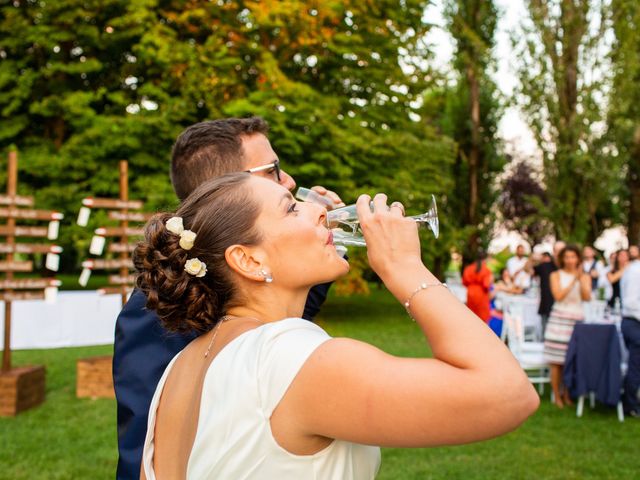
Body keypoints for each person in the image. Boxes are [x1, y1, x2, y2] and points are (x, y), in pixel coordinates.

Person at [134, 174, 539, 479]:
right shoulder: (288, 357)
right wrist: (404, 269)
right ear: (248, 260)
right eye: (292, 208)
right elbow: (508, 394)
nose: (320, 209)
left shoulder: (180, 369)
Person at [113, 117, 344, 478]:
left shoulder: (234, 274)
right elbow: (148, 442)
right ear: (225, 187)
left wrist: (317, 248)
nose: (289, 181)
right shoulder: (156, 309)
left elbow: (279, 324)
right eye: (273, 170)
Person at [544, 245, 591, 408]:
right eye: (567, 257)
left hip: (576, 320)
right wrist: (573, 281)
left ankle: (568, 393)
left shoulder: (584, 276)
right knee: (556, 361)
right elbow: (558, 296)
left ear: (578, 259)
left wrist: (582, 280)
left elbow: (586, 297)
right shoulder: (555, 275)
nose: (570, 260)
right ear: (562, 259)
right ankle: (557, 395)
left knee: (571, 360)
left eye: (573, 256)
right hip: (559, 320)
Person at [621, 246, 640, 417]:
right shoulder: (636, 272)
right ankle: (631, 405)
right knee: (636, 367)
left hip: (633, 322)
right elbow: (631, 303)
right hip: (634, 323)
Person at [533, 241, 565, 333]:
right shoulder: (545, 266)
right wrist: (532, 259)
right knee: (546, 337)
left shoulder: (569, 268)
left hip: (564, 311)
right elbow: (529, 271)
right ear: (553, 252)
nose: (559, 253)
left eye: (562, 251)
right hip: (547, 307)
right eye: (557, 251)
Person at [462, 251, 492, 322]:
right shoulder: (486, 270)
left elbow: (464, 282)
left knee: (471, 317)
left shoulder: (468, 268)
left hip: (470, 292)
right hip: (481, 294)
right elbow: (486, 285)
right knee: (482, 319)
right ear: (485, 259)